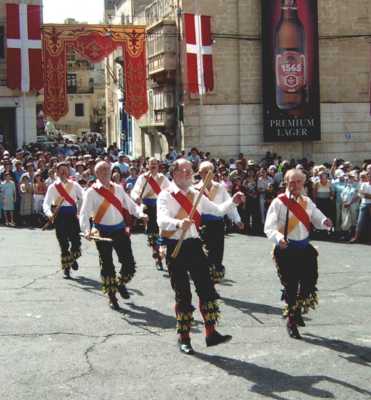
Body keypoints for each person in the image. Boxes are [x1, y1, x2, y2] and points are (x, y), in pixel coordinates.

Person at [157, 159, 245, 354]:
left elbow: (217, 210)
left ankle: (211, 333)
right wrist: (178, 223)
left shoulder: (197, 194)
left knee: (206, 289)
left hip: (195, 246)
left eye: (190, 171)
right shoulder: (165, 195)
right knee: (183, 294)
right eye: (183, 170)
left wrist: (233, 201)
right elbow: (161, 220)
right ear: (174, 173)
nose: (188, 174)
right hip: (175, 247)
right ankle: (184, 338)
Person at [264, 169, 332, 339]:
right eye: (292, 182)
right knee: (291, 286)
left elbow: (317, 217)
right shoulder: (278, 202)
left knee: (309, 283)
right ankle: (291, 321)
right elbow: (269, 227)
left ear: (303, 183)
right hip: (286, 250)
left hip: (305, 249)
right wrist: (279, 238)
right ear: (286, 183)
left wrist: (325, 222)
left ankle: (297, 310)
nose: (295, 185)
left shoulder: (307, 201)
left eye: (299, 182)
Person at [80, 161, 148, 310]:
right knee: (107, 265)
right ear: (96, 173)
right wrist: (86, 230)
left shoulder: (118, 188)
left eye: (107, 169)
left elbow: (129, 205)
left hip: (119, 230)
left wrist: (141, 214)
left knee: (129, 264)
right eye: (102, 170)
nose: (105, 172)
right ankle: (111, 295)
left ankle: (120, 283)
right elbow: (84, 213)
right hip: (102, 232)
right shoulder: (91, 192)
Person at [195, 161, 244, 283]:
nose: (206, 174)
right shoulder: (195, 188)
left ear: (213, 173)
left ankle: (214, 280)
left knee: (217, 252)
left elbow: (229, 204)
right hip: (202, 225)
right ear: (199, 173)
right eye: (204, 172)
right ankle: (206, 280)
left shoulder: (220, 187)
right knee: (206, 252)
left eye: (209, 172)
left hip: (218, 224)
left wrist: (237, 220)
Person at [43, 162, 84, 279]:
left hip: (72, 216)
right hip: (59, 217)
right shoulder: (53, 187)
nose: (63, 172)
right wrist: (49, 213)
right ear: (57, 172)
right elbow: (46, 203)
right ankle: (66, 268)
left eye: (65, 170)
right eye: (61, 170)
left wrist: (81, 211)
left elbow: (84, 196)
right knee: (63, 244)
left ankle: (72, 258)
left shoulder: (74, 185)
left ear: (68, 171)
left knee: (76, 242)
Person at [131, 158, 170, 270]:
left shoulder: (163, 178)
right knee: (152, 232)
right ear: (147, 165)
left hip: (160, 206)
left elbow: (170, 190)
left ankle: (161, 252)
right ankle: (156, 255)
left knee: (162, 230)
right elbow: (134, 191)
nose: (153, 165)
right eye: (151, 164)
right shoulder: (143, 178)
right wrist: (136, 197)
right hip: (148, 206)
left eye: (155, 164)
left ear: (158, 166)